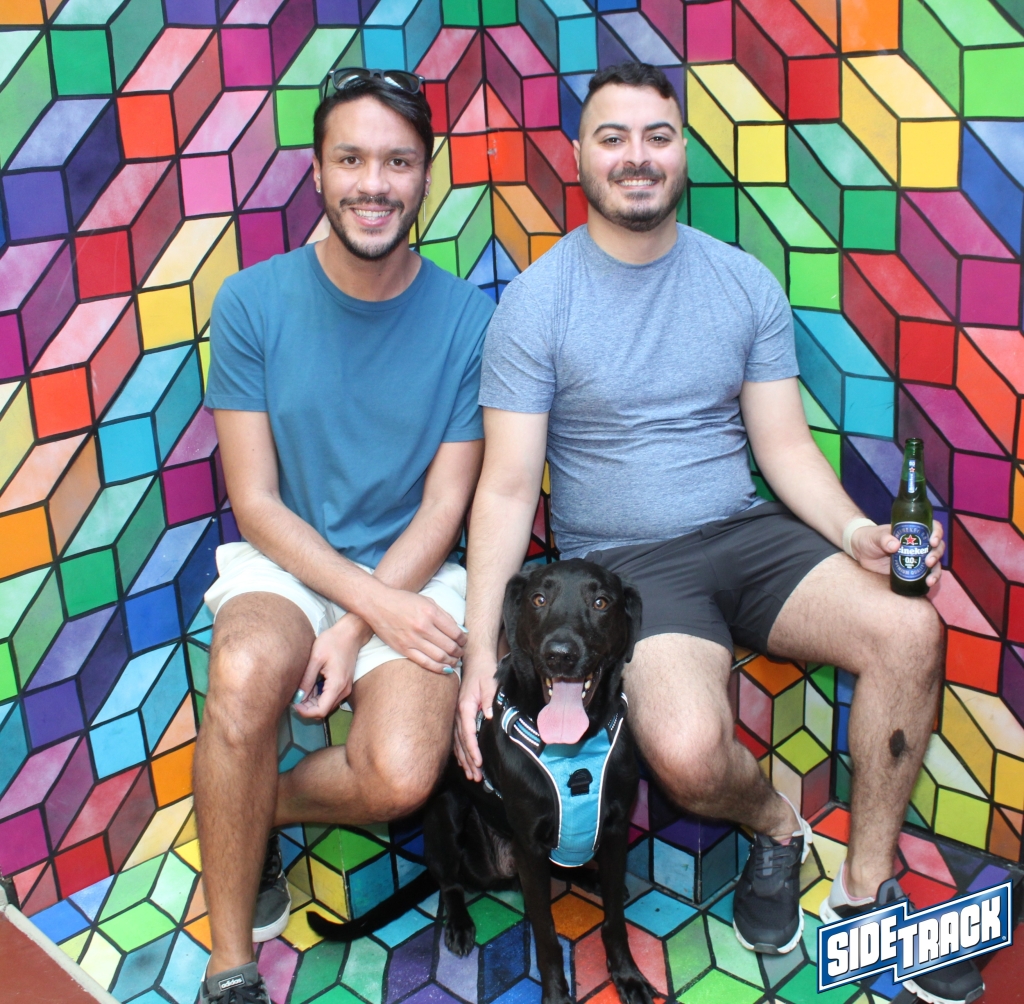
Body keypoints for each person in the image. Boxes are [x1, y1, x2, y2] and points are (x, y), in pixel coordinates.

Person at [455, 62, 983, 1004]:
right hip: (629, 570)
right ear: (579, 157)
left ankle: (864, 892)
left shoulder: (741, 282)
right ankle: (779, 828)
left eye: (657, 136)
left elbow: (783, 446)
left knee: (911, 625)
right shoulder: (538, 303)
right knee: (689, 750)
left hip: (747, 535)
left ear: (684, 153)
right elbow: (503, 489)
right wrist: (479, 658)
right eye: (613, 137)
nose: (637, 157)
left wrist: (855, 532)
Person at [193, 69, 493, 1004]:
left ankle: (250, 808)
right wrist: (357, 605)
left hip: (413, 568)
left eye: (398, 162)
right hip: (287, 558)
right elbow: (255, 502)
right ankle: (229, 966)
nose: (374, 183)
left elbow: (445, 507)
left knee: (401, 774)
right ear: (317, 171)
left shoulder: (469, 318)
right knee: (243, 671)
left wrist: (363, 622)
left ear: (426, 174)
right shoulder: (250, 302)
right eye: (352, 159)